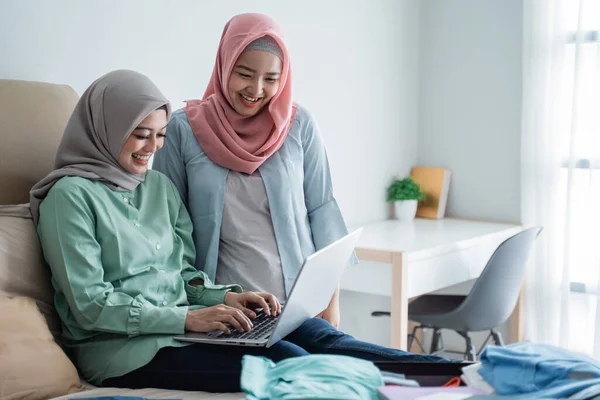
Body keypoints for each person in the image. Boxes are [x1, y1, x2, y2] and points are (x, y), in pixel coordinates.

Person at [32, 70, 442, 393]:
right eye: (140, 135)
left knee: (316, 334)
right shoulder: (69, 197)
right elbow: (91, 305)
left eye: (159, 136)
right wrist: (189, 320)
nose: (152, 148)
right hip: (123, 351)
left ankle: (450, 374)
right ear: (107, 129)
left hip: (186, 329)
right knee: (288, 359)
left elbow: (184, 275)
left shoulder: (156, 187)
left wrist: (225, 296)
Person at [153, 12, 352, 330]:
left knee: (340, 368)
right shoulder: (183, 129)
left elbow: (323, 214)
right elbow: (166, 229)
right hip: (226, 314)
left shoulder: (299, 126)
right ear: (224, 65)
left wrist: (331, 308)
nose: (256, 89)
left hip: (299, 308)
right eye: (244, 74)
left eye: (271, 79)